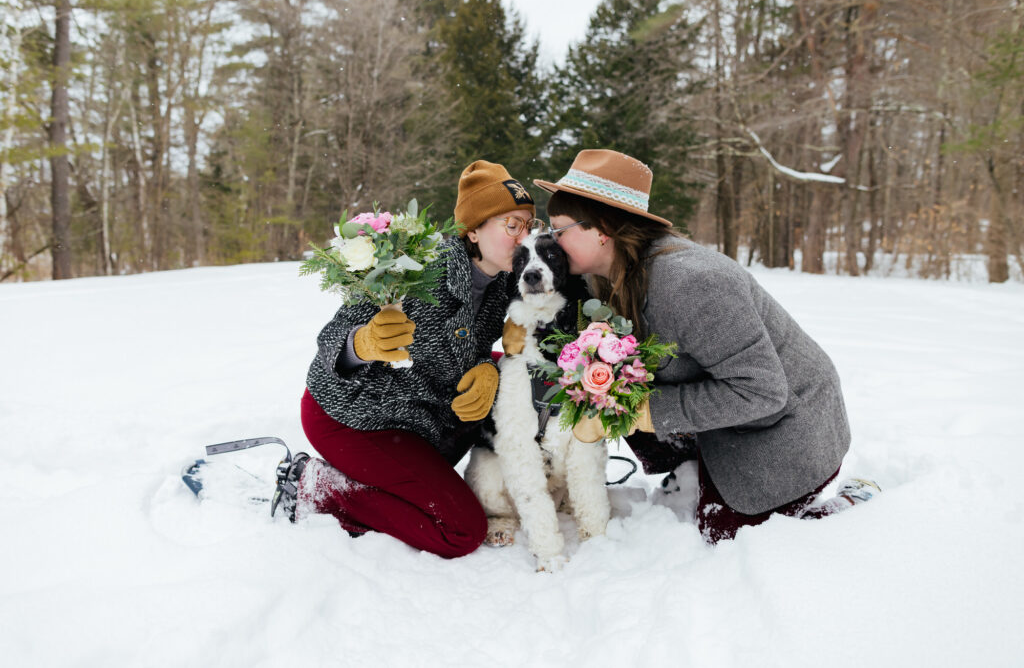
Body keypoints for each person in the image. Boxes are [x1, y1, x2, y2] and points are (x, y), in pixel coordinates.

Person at [534, 149, 879, 543]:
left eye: (560, 230)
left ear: (603, 229)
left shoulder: (693, 283)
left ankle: (852, 504)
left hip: (788, 426)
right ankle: (697, 469)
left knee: (728, 537)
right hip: (733, 417)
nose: (552, 241)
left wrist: (643, 412)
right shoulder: (604, 275)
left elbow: (762, 391)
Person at [282, 160, 542, 558]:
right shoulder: (418, 268)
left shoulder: (507, 279)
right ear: (473, 230)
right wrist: (363, 343)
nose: (525, 237)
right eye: (512, 225)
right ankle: (313, 486)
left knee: (517, 377)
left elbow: (472, 350)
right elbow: (329, 343)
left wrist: (490, 367)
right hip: (351, 417)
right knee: (460, 530)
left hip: (418, 417)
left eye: (529, 225)